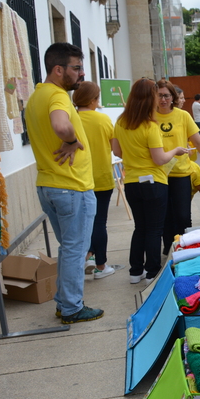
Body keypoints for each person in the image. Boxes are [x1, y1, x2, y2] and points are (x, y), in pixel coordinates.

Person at [24, 43, 103, 324]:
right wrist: (71, 141)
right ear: (58, 70)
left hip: (50, 185)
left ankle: (64, 302)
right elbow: (60, 126)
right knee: (75, 249)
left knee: (69, 247)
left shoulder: (37, 96)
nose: (81, 74)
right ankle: (71, 307)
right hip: (71, 187)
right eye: (77, 68)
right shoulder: (57, 96)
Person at [112, 78, 188, 284]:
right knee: (154, 229)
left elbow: (117, 151)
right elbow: (160, 158)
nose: (159, 98)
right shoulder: (150, 126)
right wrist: (176, 150)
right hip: (154, 182)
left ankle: (135, 271)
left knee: (140, 228)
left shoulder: (121, 122)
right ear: (149, 98)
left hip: (131, 183)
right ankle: (152, 272)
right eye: (156, 94)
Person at [155, 81, 200, 255]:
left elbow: (198, 141)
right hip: (159, 174)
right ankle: (169, 250)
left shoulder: (183, 116)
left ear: (173, 98)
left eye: (167, 95)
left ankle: (186, 248)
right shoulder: (149, 116)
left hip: (181, 172)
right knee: (166, 216)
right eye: (160, 95)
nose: (163, 99)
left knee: (183, 215)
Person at [73, 81, 119, 280]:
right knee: (99, 222)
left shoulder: (70, 119)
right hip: (101, 177)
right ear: (93, 100)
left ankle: (87, 256)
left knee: (81, 223)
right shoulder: (103, 120)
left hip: (76, 179)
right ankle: (101, 265)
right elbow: (115, 148)